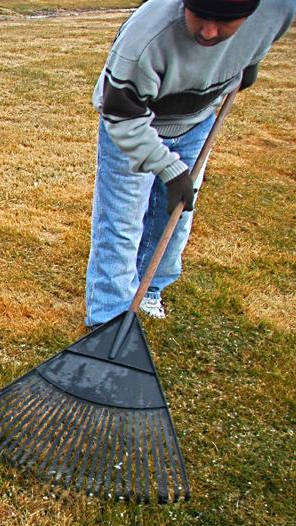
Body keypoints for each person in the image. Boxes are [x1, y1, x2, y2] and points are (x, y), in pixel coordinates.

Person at [84, 0, 293, 326]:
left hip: (196, 120)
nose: (209, 32)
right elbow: (121, 115)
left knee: (176, 217)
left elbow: (258, 39)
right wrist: (169, 169)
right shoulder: (145, 38)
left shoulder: (278, 9)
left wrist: (249, 60)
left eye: (225, 21)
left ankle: (149, 288)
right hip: (133, 119)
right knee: (121, 222)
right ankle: (109, 318)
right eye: (200, 17)